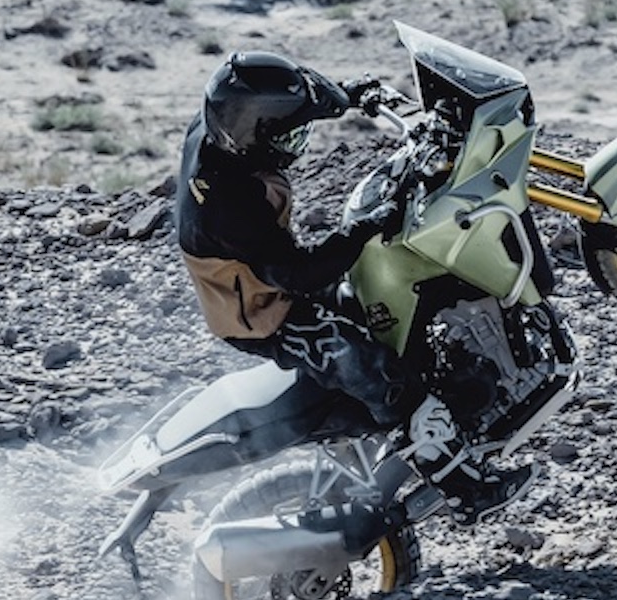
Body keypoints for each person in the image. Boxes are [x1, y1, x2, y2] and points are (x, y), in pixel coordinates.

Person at [174, 50, 533, 524]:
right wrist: (367, 225)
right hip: (267, 315)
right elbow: (299, 274)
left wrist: (350, 94)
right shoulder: (226, 202)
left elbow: (295, 98)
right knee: (385, 380)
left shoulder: (223, 127)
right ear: (254, 138)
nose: (297, 144)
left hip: (274, 277)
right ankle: (466, 489)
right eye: (287, 137)